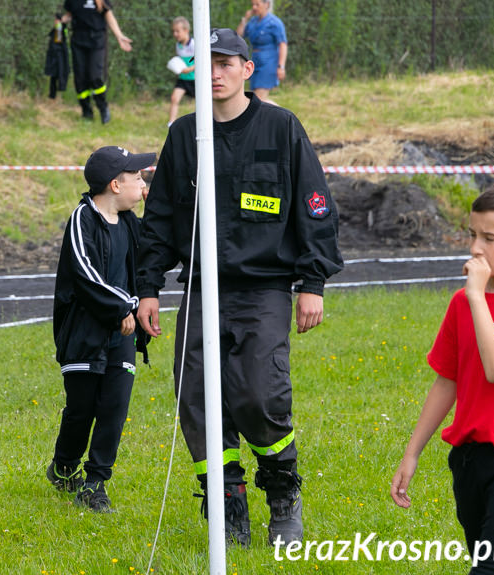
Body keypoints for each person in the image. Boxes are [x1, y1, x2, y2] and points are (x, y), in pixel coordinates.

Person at [135, 28, 342, 547]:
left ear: (248, 70)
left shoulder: (281, 128)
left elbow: (314, 208)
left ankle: (282, 497)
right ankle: (227, 510)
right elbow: (158, 219)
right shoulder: (184, 135)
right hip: (202, 291)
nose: (216, 73)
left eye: (226, 63)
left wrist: (311, 282)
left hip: (263, 289)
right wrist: (148, 288)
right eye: (206, 65)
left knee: (258, 393)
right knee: (198, 403)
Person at [391, 182, 494, 574]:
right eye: (472, 235)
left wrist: (478, 297)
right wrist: (411, 454)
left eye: (490, 238)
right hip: (468, 462)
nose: (475, 248)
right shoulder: (462, 303)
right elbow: (446, 381)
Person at [47, 145, 154, 513]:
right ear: (114, 184)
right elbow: (85, 275)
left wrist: (138, 305)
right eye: (137, 178)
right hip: (84, 334)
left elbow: (150, 257)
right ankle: (63, 467)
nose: (143, 184)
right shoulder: (83, 219)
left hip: (121, 335)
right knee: (82, 409)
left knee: (114, 407)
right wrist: (122, 305)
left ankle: (95, 483)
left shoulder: (130, 222)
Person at [61, 0, 133, 124]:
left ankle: (103, 107)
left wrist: (119, 36)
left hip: (97, 41)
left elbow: (109, 16)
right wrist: (59, 23)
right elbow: (69, 14)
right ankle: (86, 112)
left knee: (95, 76)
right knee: (80, 79)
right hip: (78, 41)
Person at [236, 0, 287, 104]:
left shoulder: (275, 23)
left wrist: (281, 66)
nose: (254, 7)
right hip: (255, 61)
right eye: (252, 5)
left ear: (266, 5)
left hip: (269, 63)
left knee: (259, 99)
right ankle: (279, 115)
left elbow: (282, 45)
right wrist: (245, 19)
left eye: (257, 4)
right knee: (255, 97)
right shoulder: (253, 22)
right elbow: (238, 36)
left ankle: (282, 116)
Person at [167, 16, 195, 128]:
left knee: (203, 103)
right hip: (183, 79)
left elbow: (202, 59)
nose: (175, 34)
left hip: (195, 79)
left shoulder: (194, 44)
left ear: (186, 30)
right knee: (174, 98)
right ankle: (171, 123)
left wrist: (190, 69)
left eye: (177, 31)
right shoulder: (178, 45)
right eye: (174, 31)